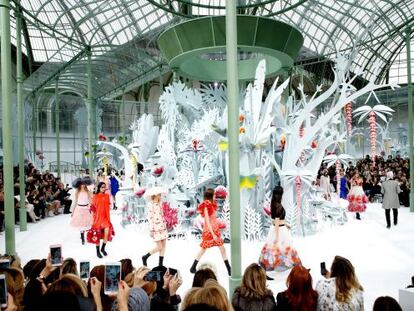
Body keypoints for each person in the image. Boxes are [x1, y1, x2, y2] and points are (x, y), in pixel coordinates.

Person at [259, 186, 301, 273]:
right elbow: (277, 221)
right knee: (283, 248)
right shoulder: (277, 206)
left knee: (276, 248)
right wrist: (277, 236)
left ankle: (298, 267)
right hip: (279, 230)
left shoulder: (275, 204)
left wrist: (287, 225)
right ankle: (298, 268)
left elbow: (278, 219)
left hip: (279, 228)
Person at [189, 188, 231, 276]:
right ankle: (193, 267)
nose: (216, 196)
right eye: (214, 195)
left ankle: (229, 269)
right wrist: (213, 234)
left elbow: (213, 219)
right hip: (209, 231)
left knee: (222, 249)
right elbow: (207, 221)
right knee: (204, 249)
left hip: (215, 230)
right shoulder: (206, 205)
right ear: (211, 196)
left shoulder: (212, 204)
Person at [142, 187, 168, 267]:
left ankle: (160, 264)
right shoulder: (151, 205)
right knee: (159, 246)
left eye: (160, 195)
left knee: (164, 245)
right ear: (155, 195)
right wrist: (151, 230)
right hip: (155, 228)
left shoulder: (160, 204)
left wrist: (164, 223)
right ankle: (145, 257)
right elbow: (150, 218)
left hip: (162, 227)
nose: (160, 196)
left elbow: (162, 215)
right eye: (159, 195)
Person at [91, 181, 114, 258]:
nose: (103, 188)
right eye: (102, 187)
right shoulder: (95, 196)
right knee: (97, 236)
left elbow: (109, 206)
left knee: (106, 234)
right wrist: (92, 219)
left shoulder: (107, 196)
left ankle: (103, 248)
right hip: (97, 218)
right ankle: (97, 251)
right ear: (99, 187)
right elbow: (92, 208)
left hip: (105, 218)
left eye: (104, 187)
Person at [70, 177, 93, 245]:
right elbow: (75, 202)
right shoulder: (77, 192)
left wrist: (91, 208)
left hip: (86, 208)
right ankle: (82, 238)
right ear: (79, 185)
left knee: (86, 224)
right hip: (79, 209)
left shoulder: (88, 192)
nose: (83, 185)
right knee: (81, 225)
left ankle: (84, 235)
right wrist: (72, 212)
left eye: (84, 184)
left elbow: (90, 201)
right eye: (81, 184)